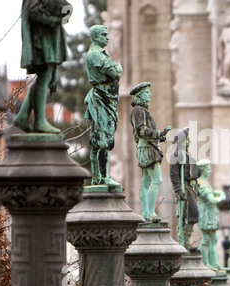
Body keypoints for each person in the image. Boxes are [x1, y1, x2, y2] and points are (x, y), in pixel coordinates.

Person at [13, 0, 72, 133]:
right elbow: (33, 10)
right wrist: (52, 20)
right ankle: (39, 121)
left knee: (45, 76)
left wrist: (65, 12)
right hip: (42, 38)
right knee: (44, 75)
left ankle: (23, 115)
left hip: (48, 37)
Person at [84, 25, 123, 187]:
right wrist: (118, 67)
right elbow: (115, 72)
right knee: (103, 139)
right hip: (102, 97)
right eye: (104, 35)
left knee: (101, 138)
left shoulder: (100, 54)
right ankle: (103, 177)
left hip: (107, 97)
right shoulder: (95, 54)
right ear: (95, 37)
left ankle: (98, 177)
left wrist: (116, 68)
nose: (108, 38)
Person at [130, 82, 172, 222]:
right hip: (147, 149)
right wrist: (159, 133)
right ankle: (150, 212)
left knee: (146, 181)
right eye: (147, 93)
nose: (150, 95)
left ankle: (146, 213)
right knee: (156, 179)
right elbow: (141, 131)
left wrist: (160, 137)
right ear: (140, 95)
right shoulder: (138, 110)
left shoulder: (141, 110)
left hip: (146, 147)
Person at [170, 127, 201, 249]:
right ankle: (184, 240)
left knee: (192, 215)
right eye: (187, 139)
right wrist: (178, 190)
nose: (189, 141)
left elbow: (196, 171)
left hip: (192, 187)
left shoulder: (188, 155)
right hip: (185, 188)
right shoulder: (176, 155)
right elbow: (174, 175)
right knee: (189, 214)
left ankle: (186, 239)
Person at [196, 159, 226, 270]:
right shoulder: (201, 183)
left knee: (213, 238)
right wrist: (222, 196)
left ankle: (215, 263)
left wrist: (216, 193)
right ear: (203, 170)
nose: (210, 171)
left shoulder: (205, 182)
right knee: (206, 238)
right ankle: (205, 263)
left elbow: (211, 195)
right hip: (205, 213)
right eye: (208, 169)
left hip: (210, 212)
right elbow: (211, 199)